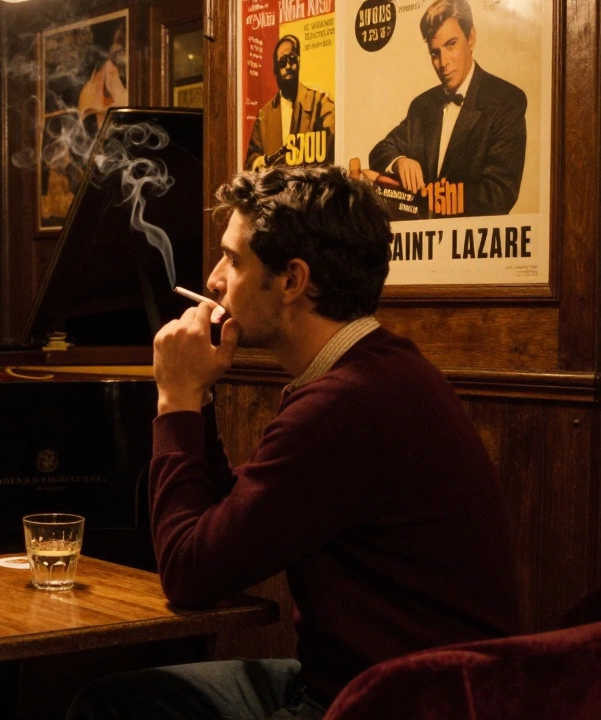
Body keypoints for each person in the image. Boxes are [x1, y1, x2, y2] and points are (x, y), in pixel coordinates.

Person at [68, 166, 519, 719]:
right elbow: (238, 526)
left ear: (291, 280)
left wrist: (177, 399)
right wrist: (200, 397)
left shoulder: (346, 406)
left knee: (114, 710)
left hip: (397, 702)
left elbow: (189, 574)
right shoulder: (374, 372)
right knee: (123, 700)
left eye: (233, 260)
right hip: (378, 684)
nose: (213, 280)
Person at [369, 0, 526, 216]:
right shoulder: (421, 106)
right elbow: (380, 151)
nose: (443, 63)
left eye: (451, 45)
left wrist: (428, 200)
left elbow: (499, 194)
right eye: (435, 53)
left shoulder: (507, 100)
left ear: (471, 38)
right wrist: (399, 162)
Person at [245, 35, 335, 172]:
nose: (288, 66)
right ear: (275, 69)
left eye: (292, 59)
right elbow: (251, 160)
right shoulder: (264, 116)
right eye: (282, 61)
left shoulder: (320, 102)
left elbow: (335, 147)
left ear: (299, 62)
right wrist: (261, 163)